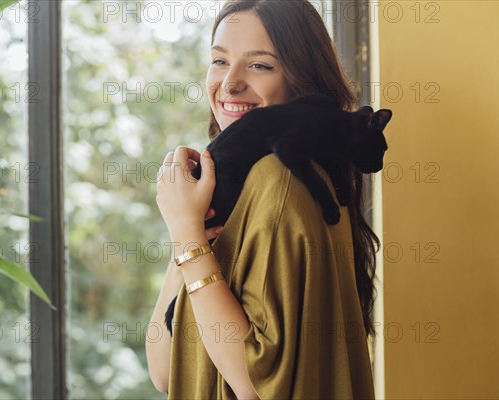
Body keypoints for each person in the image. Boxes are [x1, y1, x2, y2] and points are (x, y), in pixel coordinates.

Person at [146, 0, 378, 398]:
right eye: (219, 61)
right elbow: (167, 373)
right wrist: (186, 231)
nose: (230, 82)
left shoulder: (281, 184)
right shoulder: (239, 185)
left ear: (303, 85)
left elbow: (256, 385)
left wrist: (187, 235)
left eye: (260, 65)